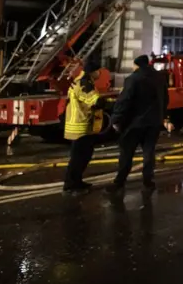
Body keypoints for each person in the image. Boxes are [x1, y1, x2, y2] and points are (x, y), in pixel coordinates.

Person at [107, 55, 170, 195]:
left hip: (134, 123)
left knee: (126, 153)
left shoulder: (133, 79)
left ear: (137, 65)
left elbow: (125, 100)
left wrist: (116, 119)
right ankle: (148, 182)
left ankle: (119, 183)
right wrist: (163, 117)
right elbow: (165, 99)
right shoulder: (160, 78)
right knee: (149, 152)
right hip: (153, 122)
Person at [63, 63, 104, 193]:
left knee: (83, 155)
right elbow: (96, 101)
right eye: (98, 70)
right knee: (78, 157)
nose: (99, 73)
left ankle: (77, 181)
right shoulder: (85, 84)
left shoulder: (82, 81)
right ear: (92, 72)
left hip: (81, 124)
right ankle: (70, 185)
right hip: (80, 126)